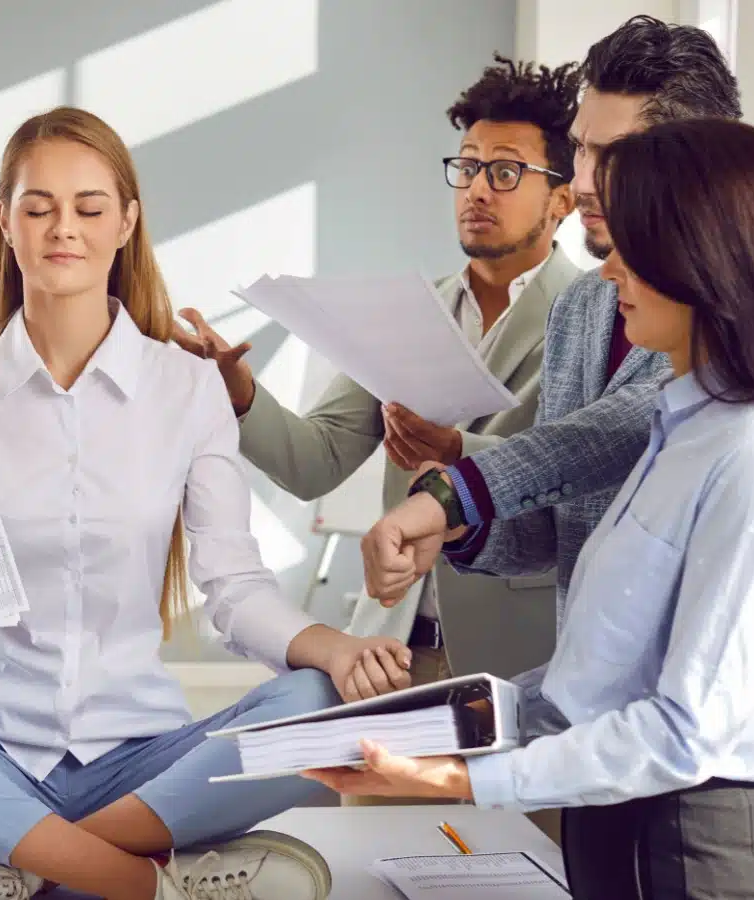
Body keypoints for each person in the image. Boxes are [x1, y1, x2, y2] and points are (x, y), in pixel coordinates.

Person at [0, 107, 411, 900]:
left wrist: (335, 649)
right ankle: (145, 883)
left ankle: (7, 867)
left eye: (89, 207)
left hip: (144, 761)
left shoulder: (190, 388)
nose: (62, 228)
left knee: (321, 699)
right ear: (5, 222)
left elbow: (235, 588)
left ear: (126, 222)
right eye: (37, 207)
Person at [314, 116, 754, 900]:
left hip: (695, 852)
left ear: (706, 259)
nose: (607, 276)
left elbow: (684, 732)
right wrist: (434, 725)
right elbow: (593, 680)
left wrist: (458, 779)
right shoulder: (683, 432)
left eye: (631, 251)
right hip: (615, 832)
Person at [176, 53, 582, 701]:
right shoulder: (410, 315)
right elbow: (315, 461)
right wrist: (239, 392)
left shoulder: (594, 316)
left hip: (523, 659)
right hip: (392, 650)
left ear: (561, 199)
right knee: (373, 805)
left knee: (504, 812)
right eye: (467, 166)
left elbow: (578, 471)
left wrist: (454, 453)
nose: (477, 189)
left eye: (505, 171)